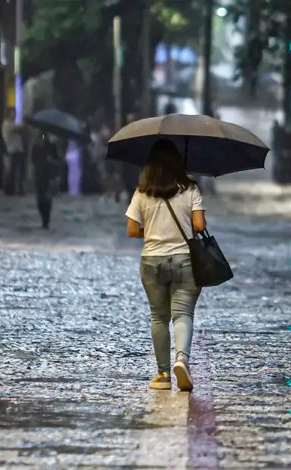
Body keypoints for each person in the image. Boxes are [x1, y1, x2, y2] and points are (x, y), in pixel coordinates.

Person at [125, 139, 206, 392]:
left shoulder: (142, 191)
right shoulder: (190, 188)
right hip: (184, 259)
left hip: (152, 260)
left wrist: (152, 231)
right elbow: (200, 226)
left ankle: (162, 374)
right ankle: (181, 360)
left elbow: (131, 229)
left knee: (159, 317)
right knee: (183, 314)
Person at [31, 134, 61, 229]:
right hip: (39, 175)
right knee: (40, 199)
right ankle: (43, 217)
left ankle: (46, 220)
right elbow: (33, 160)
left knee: (47, 198)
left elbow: (57, 160)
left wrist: (51, 161)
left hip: (49, 175)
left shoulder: (51, 147)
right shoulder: (35, 147)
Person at [2, 108, 26, 195]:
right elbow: (18, 128)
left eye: (15, 113)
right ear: (8, 114)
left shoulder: (11, 124)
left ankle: (17, 189)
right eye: (13, 113)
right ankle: (10, 190)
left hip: (18, 150)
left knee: (17, 171)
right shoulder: (7, 124)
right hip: (13, 150)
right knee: (12, 172)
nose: (14, 115)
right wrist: (24, 121)